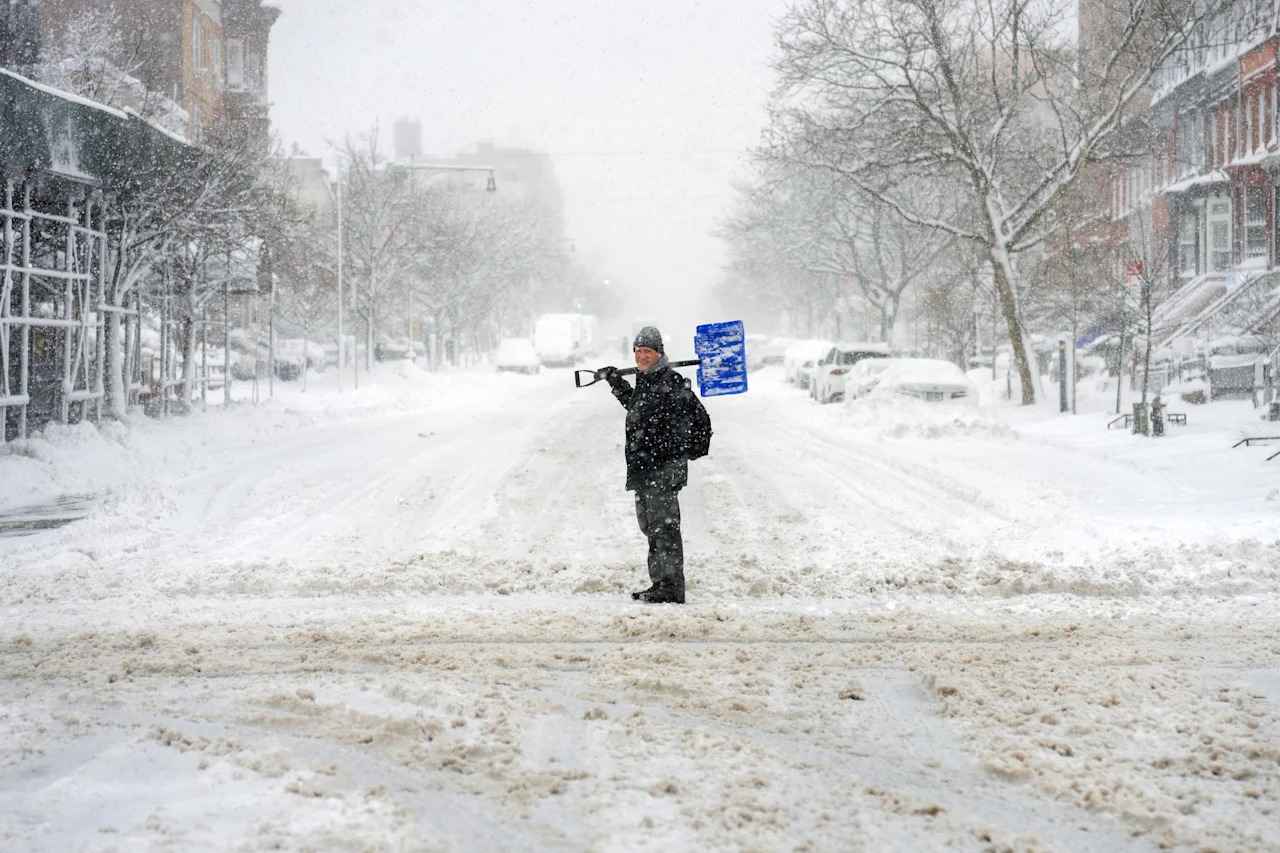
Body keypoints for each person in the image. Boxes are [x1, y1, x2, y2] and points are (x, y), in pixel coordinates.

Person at [596, 326, 706, 604]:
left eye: (648, 351)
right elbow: (637, 408)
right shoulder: (647, 381)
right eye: (638, 351)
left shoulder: (671, 382)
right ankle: (661, 583)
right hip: (645, 470)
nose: (642, 356)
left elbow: (700, 422)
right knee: (652, 527)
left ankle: (671, 587)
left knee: (664, 528)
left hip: (661, 470)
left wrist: (680, 453)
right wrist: (616, 384)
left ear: (659, 353)